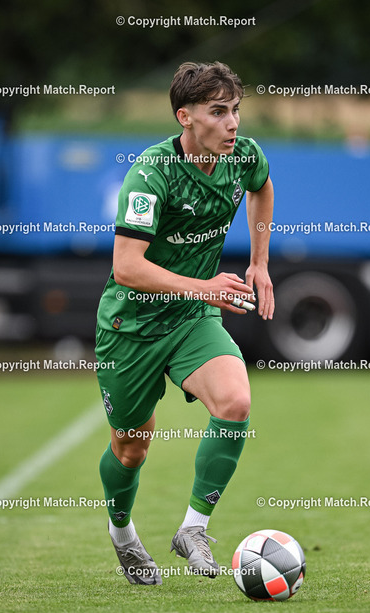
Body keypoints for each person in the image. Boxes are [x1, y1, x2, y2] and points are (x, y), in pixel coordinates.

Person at [95, 61, 274, 585]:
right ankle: (123, 534)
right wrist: (205, 286)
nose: (232, 123)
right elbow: (126, 267)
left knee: (235, 402)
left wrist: (259, 261)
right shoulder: (151, 173)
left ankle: (193, 529)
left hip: (192, 318)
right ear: (186, 117)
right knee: (132, 446)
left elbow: (262, 186)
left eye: (235, 110)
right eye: (218, 112)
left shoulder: (243, 155)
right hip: (130, 327)